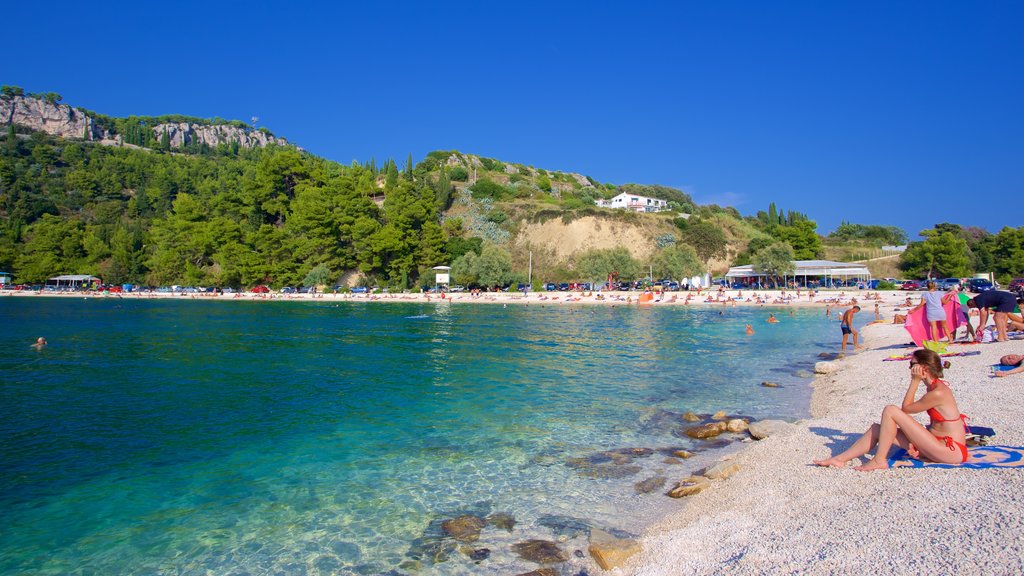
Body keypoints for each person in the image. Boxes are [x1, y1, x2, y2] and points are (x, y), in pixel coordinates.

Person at [814, 349, 969, 470]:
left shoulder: (938, 392)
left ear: (924, 368)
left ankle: (879, 460)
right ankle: (839, 459)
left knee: (890, 410)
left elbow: (906, 409)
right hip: (936, 443)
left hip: (951, 451)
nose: (910, 368)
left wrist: (914, 381)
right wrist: (916, 441)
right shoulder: (933, 387)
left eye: (912, 365)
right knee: (877, 429)